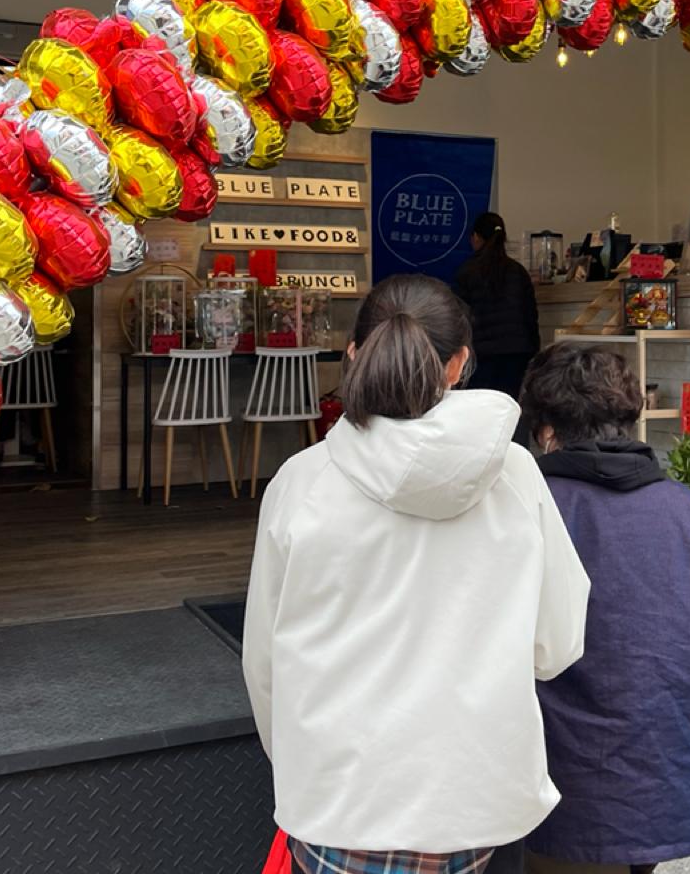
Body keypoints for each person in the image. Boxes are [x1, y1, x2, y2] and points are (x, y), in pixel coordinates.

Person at [242, 275, 591, 874]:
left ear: (354, 353)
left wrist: (304, 768)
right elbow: (556, 646)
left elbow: (264, 663)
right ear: (459, 364)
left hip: (339, 805)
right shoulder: (515, 474)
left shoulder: (301, 481)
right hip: (478, 803)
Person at [518, 344, 690, 874]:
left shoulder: (521, 509)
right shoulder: (689, 514)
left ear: (546, 431)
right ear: (629, 421)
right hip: (664, 771)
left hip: (553, 777)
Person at [454, 212, 540, 402]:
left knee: (481, 409)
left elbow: (459, 319)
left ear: (476, 238)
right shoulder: (518, 271)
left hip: (481, 357)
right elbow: (531, 316)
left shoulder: (467, 272)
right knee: (512, 408)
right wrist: (534, 352)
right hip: (518, 354)